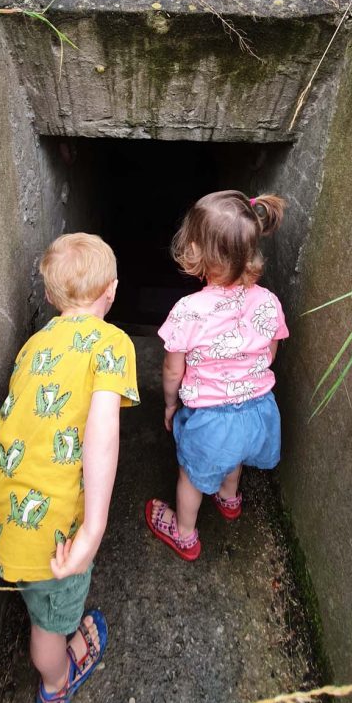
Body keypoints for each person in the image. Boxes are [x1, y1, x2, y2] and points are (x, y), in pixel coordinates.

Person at [0, 233, 139, 703]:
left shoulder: (36, 342)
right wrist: (93, 528)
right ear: (112, 290)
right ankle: (55, 684)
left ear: (50, 298)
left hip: (1, 504)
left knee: (38, 598)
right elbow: (102, 434)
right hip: (49, 538)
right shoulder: (112, 343)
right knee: (49, 624)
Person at [145, 191, 287, 561]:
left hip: (210, 420)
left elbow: (173, 368)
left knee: (191, 476)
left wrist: (171, 404)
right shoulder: (269, 301)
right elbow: (270, 354)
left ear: (196, 251)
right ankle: (229, 499)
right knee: (234, 455)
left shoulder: (188, 310)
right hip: (258, 411)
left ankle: (185, 533)